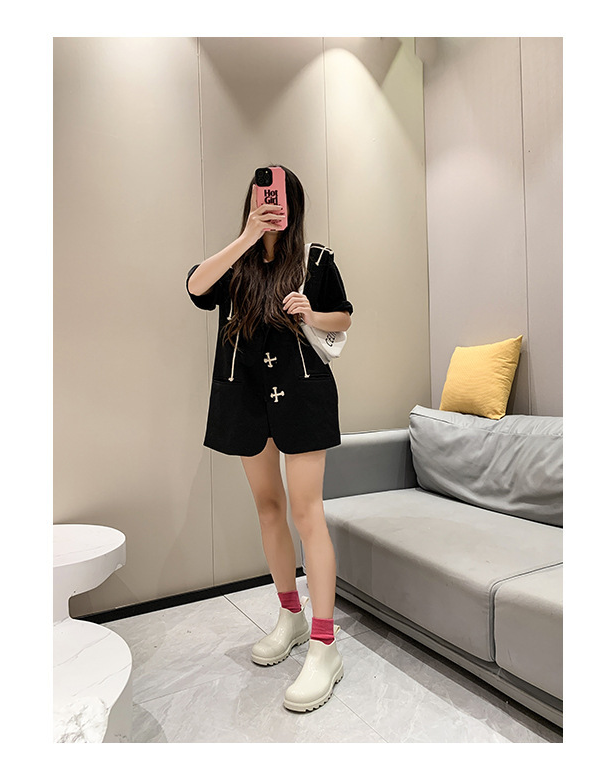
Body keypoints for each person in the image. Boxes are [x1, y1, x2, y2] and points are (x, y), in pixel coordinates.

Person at [185, 165, 353, 712]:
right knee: (267, 508)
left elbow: (343, 319)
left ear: (293, 205)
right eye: (263, 196)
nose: (271, 204)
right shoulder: (234, 263)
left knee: (308, 513)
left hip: (301, 393)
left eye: (279, 198)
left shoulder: (315, 260)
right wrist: (247, 236)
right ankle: (290, 615)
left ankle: (324, 644)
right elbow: (195, 287)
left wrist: (311, 311)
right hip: (246, 396)